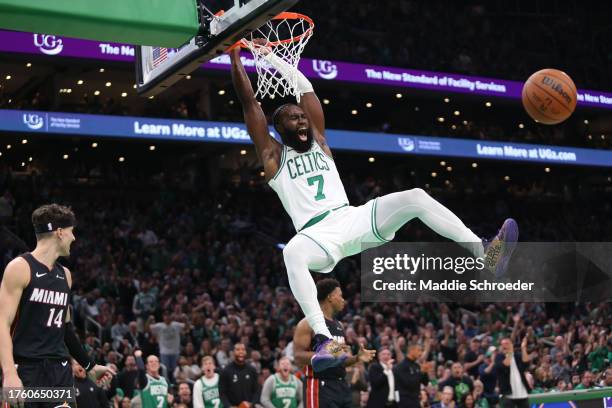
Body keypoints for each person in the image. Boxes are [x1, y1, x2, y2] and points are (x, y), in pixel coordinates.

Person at [230, 43, 518, 371]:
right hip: (317, 236)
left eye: (302, 116)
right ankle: (325, 340)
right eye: (293, 118)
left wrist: (269, 57)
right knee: (291, 253)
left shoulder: (320, 142)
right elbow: (249, 102)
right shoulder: (273, 156)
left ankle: (484, 255)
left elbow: (305, 88)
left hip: (352, 217)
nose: (301, 120)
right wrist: (235, 54)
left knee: (416, 196)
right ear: (278, 130)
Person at [0, 204, 115, 407]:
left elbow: (65, 329)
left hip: (59, 371)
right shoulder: (20, 268)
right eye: (72, 232)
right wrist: (9, 373)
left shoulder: (65, 275)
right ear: (60, 233)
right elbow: (2, 323)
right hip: (26, 371)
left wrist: (90, 366)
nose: (74, 238)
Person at [293, 279, 376, 408]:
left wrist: (357, 358)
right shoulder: (308, 323)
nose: (343, 300)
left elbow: (340, 360)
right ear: (330, 297)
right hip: (319, 386)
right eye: (340, 295)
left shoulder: (339, 325)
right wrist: (326, 353)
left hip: (341, 385)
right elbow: (298, 356)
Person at [494, 337, 533, 408]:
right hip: (508, 393)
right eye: (502, 344)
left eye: (506, 343)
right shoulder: (499, 357)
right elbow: (505, 365)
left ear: (511, 344)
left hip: (522, 392)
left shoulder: (517, 355)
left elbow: (526, 362)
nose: (504, 346)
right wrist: (511, 352)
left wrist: (523, 348)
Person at [219, 343, 259, 408]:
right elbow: (222, 393)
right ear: (233, 352)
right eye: (237, 349)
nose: (241, 352)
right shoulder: (225, 371)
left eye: (243, 350)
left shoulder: (252, 370)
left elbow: (257, 391)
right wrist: (229, 406)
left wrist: (252, 403)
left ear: (246, 352)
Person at [150, 311, 185, 383]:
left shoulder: (176, 325)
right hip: (164, 352)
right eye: (165, 316)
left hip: (175, 352)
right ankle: (166, 385)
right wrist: (149, 320)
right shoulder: (159, 326)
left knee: (175, 371)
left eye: (168, 315)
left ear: (171, 317)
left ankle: (175, 385)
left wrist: (185, 319)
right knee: (165, 371)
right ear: (163, 317)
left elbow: (187, 327)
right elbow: (147, 328)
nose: (167, 317)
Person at [394, 343, 431, 408]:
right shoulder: (400, 367)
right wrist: (421, 372)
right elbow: (408, 383)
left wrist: (425, 372)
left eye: (421, 351)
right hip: (404, 402)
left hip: (415, 400)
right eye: (419, 350)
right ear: (411, 350)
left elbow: (425, 383)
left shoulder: (417, 366)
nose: (421, 353)